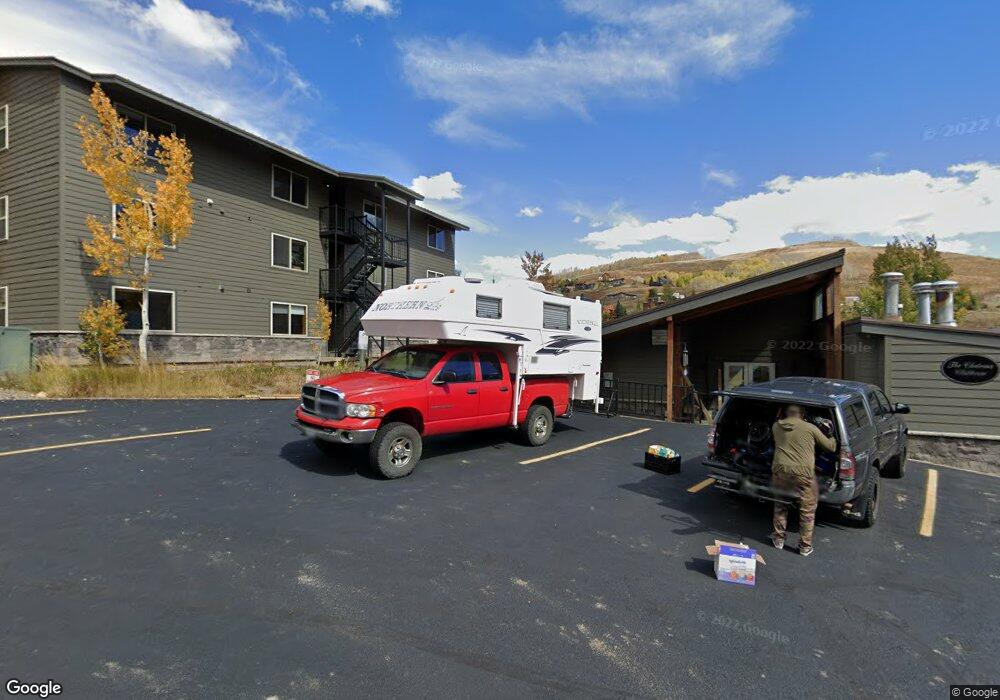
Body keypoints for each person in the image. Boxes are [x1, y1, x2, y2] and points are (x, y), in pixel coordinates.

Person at [770, 404, 837, 556]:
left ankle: (779, 539)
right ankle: (805, 546)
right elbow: (830, 447)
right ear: (802, 414)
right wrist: (831, 434)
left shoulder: (776, 426)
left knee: (781, 505)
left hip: (780, 472)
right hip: (803, 474)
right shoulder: (811, 428)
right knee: (807, 510)